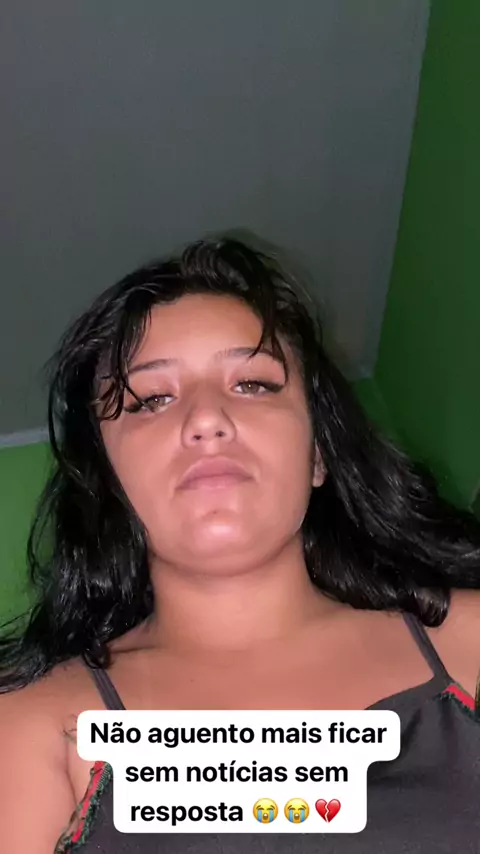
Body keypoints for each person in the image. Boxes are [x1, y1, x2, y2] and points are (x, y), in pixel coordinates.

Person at [0, 237, 479, 854]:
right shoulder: (33, 724)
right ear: (107, 481)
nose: (206, 419)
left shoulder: (470, 643)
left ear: (318, 454)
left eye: (253, 383)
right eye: (151, 400)